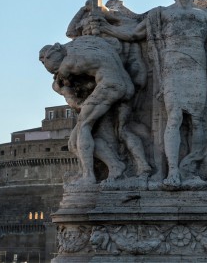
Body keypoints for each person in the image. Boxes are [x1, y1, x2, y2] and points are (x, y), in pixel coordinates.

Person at [99, 0, 207, 188]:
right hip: (172, 69)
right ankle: (172, 171)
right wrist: (106, 27)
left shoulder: (206, 15)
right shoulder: (161, 13)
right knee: (174, 118)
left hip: (197, 69)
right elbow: (134, 31)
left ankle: (190, 168)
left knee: (198, 121)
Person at [39, 36, 151, 184]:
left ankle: (88, 176)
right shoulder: (83, 43)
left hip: (110, 85)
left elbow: (71, 95)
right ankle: (135, 166)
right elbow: (114, 45)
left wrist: (67, 89)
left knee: (84, 126)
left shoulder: (66, 65)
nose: (55, 73)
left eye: (52, 68)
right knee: (120, 131)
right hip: (127, 86)